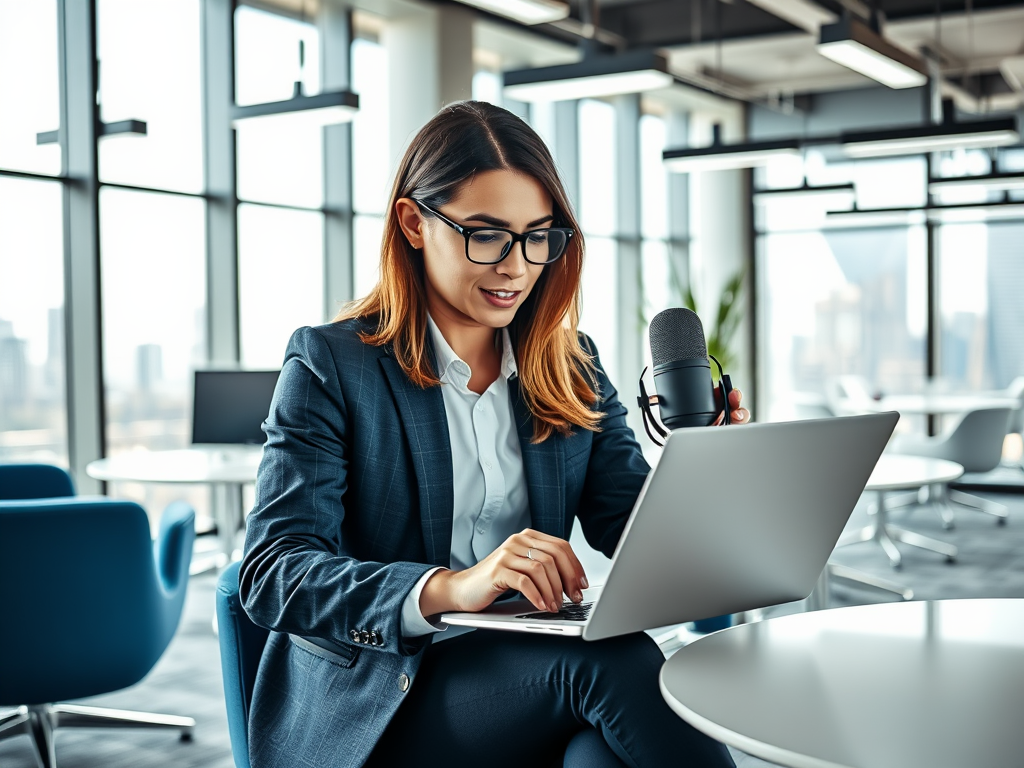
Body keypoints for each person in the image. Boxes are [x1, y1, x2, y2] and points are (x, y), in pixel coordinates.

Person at [239, 100, 749, 768]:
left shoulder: (572, 365)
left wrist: (706, 467)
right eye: (487, 234)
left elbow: (629, 524)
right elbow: (275, 574)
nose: (516, 265)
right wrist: (451, 587)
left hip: (519, 678)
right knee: (610, 661)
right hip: (379, 697)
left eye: (539, 236)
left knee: (607, 746)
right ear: (414, 223)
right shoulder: (333, 365)